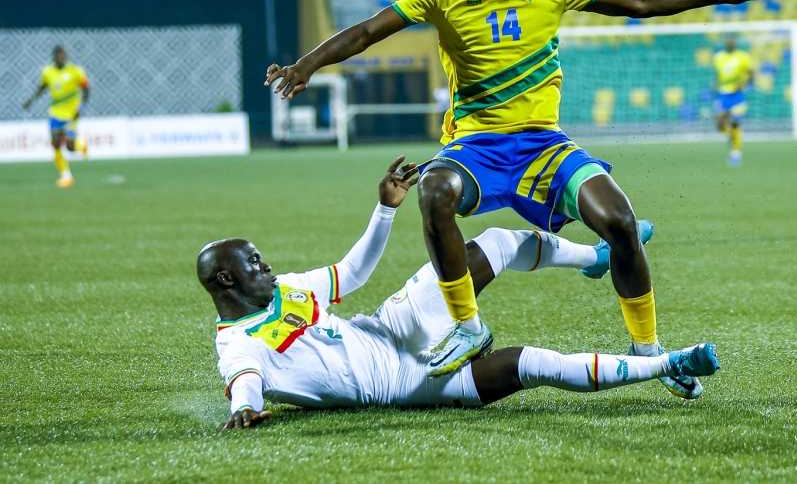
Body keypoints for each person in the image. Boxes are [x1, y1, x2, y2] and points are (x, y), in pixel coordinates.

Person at [265, 0, 771, 398]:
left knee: (621, 222)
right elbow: (370, 31)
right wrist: (305, 66)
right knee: (433, 192)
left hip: (543, 147)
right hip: (476, 147)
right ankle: (468, 327)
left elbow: (635, 2)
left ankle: (651, 355)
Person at [201, 156, 720, 429]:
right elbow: (244, 380)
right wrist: (243, 408)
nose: (265, 264)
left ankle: (596, 258)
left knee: (494, 241)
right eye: (252, 262)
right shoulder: (238, 343)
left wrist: (386, 208)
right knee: (534, 363)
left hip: (392, 326)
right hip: (407, 382)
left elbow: (352, 272)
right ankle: (668, 364)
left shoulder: (284, 288)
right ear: (226, 280)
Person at [22, 46, 89, 188]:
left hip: (71, 114)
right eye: (57, 56)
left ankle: (81, 145)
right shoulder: (48, 72)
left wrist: (81, 107)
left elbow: (86, 90)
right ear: (54, 57)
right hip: (56, 113)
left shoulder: (75, 71)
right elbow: (42, 88)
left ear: (66, 57)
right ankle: (66, 176)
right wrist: (31, 100)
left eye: (62, 55)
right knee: (56, 143)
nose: (60, 58)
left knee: (70, 147)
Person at [712, 34, 753, 166]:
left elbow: (751, 73)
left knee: (735, 123)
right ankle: (731, 135)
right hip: (723, 94)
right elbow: (719, 74)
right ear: (725, 43)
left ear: (735, 42)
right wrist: (714, 86)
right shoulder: (718, 57)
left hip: (738, 95)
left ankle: (735, 154)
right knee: (720, 124)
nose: (729, 43)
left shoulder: (743, 56)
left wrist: (744, 83)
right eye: (727, 41)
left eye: (732, 41)